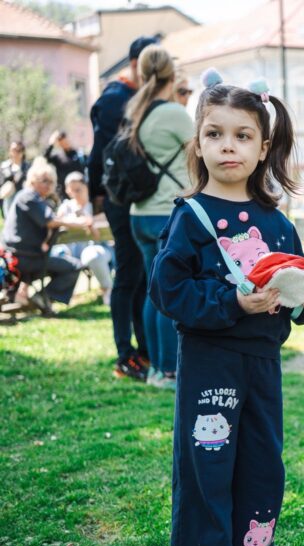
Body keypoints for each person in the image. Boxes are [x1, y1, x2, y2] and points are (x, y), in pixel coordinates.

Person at [149, 71, 304, 546]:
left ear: (263, 147)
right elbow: (168, 291)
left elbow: (293, 293)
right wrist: (232, 302)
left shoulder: (277, 221)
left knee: (261, 468)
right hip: (211, 367)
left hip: (262, 366)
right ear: (199, 143)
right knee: (210, 473)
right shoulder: (191, 216)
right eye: (215, 134)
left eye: (243, 135)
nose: (229, 146)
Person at [88, 35, 158, 381]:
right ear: (135, 64)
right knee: (128, 275)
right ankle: (124, 354)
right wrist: (96, 197)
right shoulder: (115, 99)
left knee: (140, 276)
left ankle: (144, 349)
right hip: (120, 199)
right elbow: (100, 155)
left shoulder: (139, 96)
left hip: (139, 198)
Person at [124, 44, 192, 390]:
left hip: (140, 214)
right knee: (169, 293)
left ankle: (154, 367)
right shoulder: (175, 114)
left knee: (154, 293)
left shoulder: (136, 112)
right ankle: (168, 371)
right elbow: (201, 153)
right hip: (167, 213)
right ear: (172, 74)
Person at [1, 159, 91, 313]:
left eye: (51, 182)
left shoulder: (35, 198)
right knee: (74, 266)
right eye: (44, 181)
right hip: (22, 258)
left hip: (28, 256)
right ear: (33, 180)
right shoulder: (28, 196)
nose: (49, 185)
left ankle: (36, 297)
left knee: (64, 260)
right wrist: (81, 222)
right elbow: (50, 221)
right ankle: (43, 297)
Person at [53, 172, 114, 305]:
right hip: (70, 251)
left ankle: (107, 290)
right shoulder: (65, 207)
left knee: (92, 255)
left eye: (78, 190)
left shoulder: (96, 205)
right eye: (71, 190)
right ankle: (50, 296)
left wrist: (89, 220)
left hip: (98, 248)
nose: (75, 194)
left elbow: (102, 227)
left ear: (86, 187)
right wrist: (82, 222)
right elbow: (58, 223)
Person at [44, 131, 85, 200]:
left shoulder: (79, 154)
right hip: (64, 191)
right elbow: (46, 157)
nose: (65, 143)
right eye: (61, 141)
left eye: (65, 140)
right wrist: (51, 143)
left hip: (79, 189)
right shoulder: (58, 156)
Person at [1, 141, 28, 218]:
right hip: (7, 200)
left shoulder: (27, 167)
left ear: (22, 152)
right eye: (13, 150)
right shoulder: (4, 166)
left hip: (23, 199)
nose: (15, 153)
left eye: (18, 150)